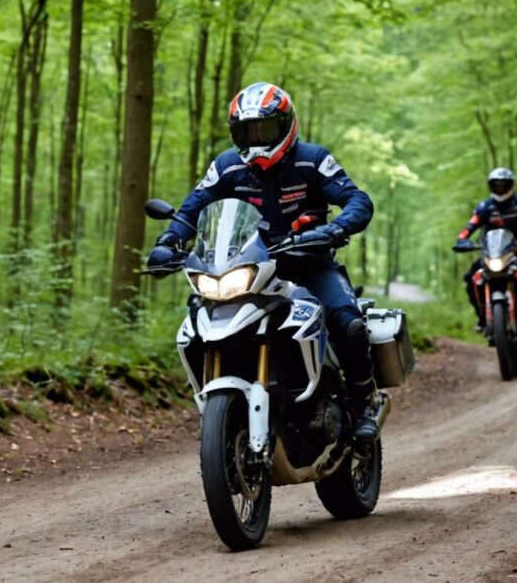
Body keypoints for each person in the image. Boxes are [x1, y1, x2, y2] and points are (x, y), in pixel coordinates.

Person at [145, 82, 382, 441]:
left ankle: (365, 400)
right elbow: (193, 207)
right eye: (246, 131)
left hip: (307, 266)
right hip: (243, 269)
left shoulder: (313, 159)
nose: (255, 140)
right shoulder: (227, 166)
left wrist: (335, 229)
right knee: (196, 322)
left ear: (286, 125)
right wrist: (169, 241)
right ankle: (226, 411)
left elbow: (357, 200)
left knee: (347, 322)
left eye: (264, 130)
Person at [452, 168, 517, 333]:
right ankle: (482, 317)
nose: (500, 188)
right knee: (471, 278)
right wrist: (462, 240)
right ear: (490, 186)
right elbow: (468, 228)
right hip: (489, 255)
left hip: (515, 254)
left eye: (503, 185)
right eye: (496, 185)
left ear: (510, 185)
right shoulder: (484, 207)